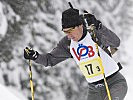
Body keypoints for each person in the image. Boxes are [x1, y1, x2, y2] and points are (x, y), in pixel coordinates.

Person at [24, 6, 128, 100]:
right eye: (65, 32)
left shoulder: (93, 34)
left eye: (69, 31)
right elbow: (49, 60)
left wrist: (99, 26)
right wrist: (35, 56)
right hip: (94, 90)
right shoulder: (67, 43)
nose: (68, 36)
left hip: (115, 83)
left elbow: (115, 42)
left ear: (80, 26)